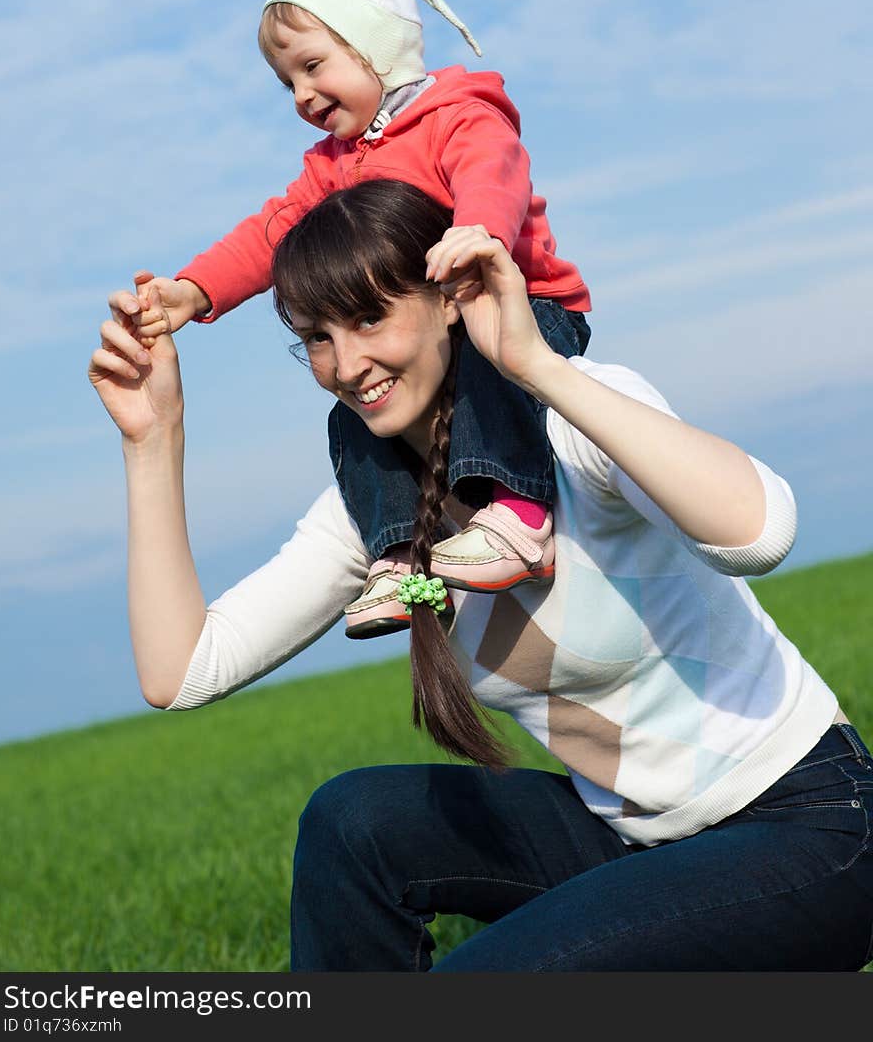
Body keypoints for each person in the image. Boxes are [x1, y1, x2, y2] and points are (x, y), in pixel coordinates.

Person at [91, 179, 873, 972]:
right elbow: (183, 669)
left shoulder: (569, 417)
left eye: (369, 317)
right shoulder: (375, 507)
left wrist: (535, 362)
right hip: (628, 837)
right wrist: (153, 441)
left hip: (804, 828)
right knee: (352, 820)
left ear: (447, 299)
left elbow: (761, 532)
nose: (347, 364)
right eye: (318, 336)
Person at [111, 0, 593, 638]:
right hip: (446, 333)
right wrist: (194, 290)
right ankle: (399, 556)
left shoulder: (458, 113)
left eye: (313, 66)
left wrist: (480, 231)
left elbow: (494, 172)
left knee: (494, 363)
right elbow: (272, 232)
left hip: (531, 309)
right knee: (352, 417)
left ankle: (520, 515)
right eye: (289, 82)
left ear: (376, 43)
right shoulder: (336, 163)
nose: (303, 95)